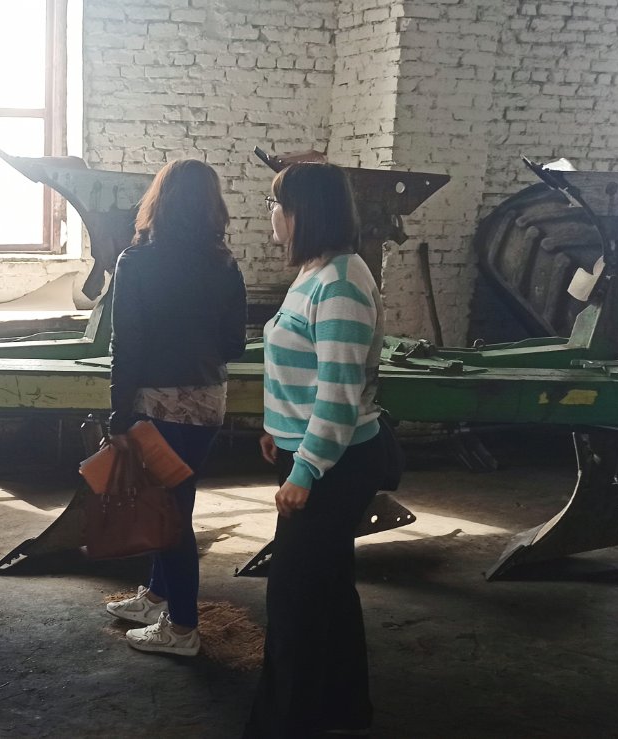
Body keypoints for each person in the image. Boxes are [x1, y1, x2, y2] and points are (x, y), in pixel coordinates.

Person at [244, 163, 400, 737]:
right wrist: (279, 428)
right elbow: (304, 368)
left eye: (275, 204)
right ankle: (342, 712)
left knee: (294, 602)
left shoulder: (341, 282)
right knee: (327, 592)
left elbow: (338, 392)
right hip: (313, 450)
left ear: (303, 212)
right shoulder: (315, 271)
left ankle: (288, 724)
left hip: (335, 463)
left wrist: (305, 468)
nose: (271, 214)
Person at [102, 159, 248, 656]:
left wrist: (118, 415)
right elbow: (234, 345)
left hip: (156, 405)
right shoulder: (225, 264)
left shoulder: (136, 261)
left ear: (158, 202)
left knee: (168, 514)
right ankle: (157, 597)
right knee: (173, 503)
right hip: (208, 402)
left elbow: (127, 345)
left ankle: (182, 628)